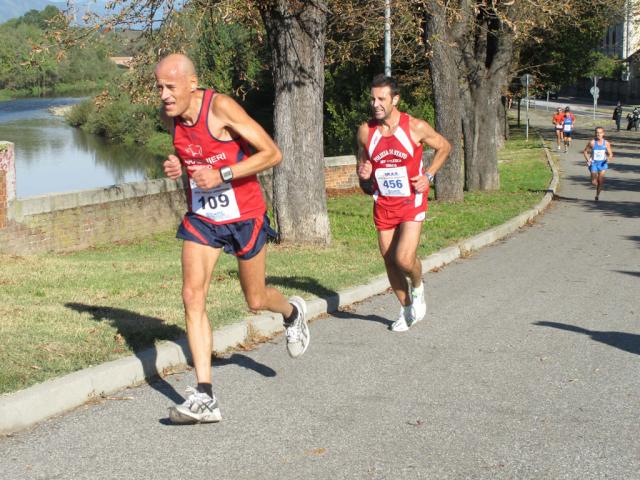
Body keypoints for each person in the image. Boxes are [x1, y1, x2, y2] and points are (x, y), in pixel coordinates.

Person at [155, 53, 310, 424]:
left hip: (245, 216)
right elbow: (188, 156)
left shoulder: (221, 108)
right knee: (192, 295)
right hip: (204, 219)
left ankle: (292, 312)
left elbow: (272, 153)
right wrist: (177, 164)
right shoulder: (169, 116)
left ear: (192, 85)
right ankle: (205, 395)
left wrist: (223, 173)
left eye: (170, 87)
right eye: (158, 87)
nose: (163, 96)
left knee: (255, 299)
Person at [356, 75, 451, 332]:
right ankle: (407, 308)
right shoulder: (366, 131)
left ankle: (418, 287)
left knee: (404, 259)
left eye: (381, 99)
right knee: (389, 260)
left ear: (395, 99)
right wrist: (363, 172)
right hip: (384, 202)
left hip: (411, 200)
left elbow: (444, 146)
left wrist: (428, 175)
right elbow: (364, 165)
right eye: (372, 99)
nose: (375, 104)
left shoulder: (415, 127)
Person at [583, 126, 613, 201]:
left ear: (603, 134)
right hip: (594, 163)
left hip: (603, 164)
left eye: (600, 133)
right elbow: (585, 151)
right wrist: (588, 160)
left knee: (600, 180)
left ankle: (597, 195)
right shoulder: (592, 142)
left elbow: (610, 154)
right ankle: (597, 186)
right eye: (597, 133)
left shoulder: (606, 143)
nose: (598, 134)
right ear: (595, 134)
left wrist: (608, 159)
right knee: (593, 181)